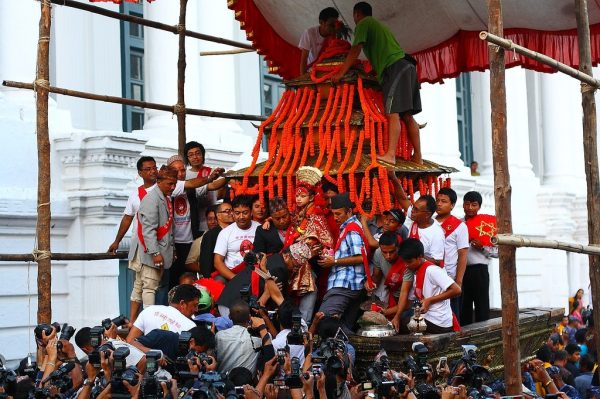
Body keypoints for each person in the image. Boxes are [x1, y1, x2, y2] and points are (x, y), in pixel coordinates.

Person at [333, 1, 422, 165]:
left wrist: (341, 73)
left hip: (396, 68)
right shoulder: (378, 27)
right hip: (406, 66)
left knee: (392, 112)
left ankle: (390, 155)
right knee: (407, 115)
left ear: (357, 14)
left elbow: (355, 49)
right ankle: (418, 157)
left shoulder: (363, 23)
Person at [107, 156, 157, 323]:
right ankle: (133, 322)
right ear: (140, 173)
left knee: (149, 286)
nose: (152, 171)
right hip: (138, 244)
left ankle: (147, 324)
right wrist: (116, 241)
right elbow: (127, 218)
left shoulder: (163, 188)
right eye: (148, 169)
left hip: (156, 244)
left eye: (154, 168)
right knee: (139, 284)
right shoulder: (135, 194)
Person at [318, 192, 373, 330]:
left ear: (349, 211)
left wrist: (334, 261)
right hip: (351, 284)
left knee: (323, 320)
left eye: (338, 214)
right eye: (334, 214)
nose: (335, 217)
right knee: (343, 327)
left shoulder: (352, 229)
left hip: (345, 284)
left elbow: (361, 257)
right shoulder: (348, 226)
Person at [167, 155, 224, 288]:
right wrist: (209, 177)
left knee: (189, 280)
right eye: (176, 171)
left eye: (182, 170)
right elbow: (195, 183)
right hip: (172, 244)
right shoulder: (169, 188)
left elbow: (213, 186)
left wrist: (230, 177)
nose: (180, 174)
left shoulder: (192, 186)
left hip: (190, 241)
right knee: (172, 281)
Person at [132, 166, 178, 308]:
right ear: (159, 181)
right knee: (149, 287)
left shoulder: (163, 197)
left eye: (174, 183)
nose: (173, 187)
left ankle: (139, 322)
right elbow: (148, 230)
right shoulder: (152, 199)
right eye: (169, 184)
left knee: (143, 286)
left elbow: (169, 228)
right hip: (153, 252)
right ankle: (149, 323)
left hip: (160, 250)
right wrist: (155, 253)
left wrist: (173, 249)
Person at [399, 238, 461, 333]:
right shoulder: (415, 271)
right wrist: (391, 314)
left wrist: (430, 300)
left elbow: (457, 290)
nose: (406, 265)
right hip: (428, 319)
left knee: (403, 326)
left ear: (420, 257)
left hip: (439, 322)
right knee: (399, 323)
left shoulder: (432, 270)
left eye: (409, 262)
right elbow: (409, 303)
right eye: (404, 262)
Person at [461, 190, 498, 325]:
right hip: (461, 270)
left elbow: (498, 253)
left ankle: (483, 336)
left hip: (480, 270)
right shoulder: (458, 224)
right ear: (463, 205)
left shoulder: (489, 224)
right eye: (467, 204)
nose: (470, 208)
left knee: (482, 305)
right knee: (463, 305)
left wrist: (482, 248)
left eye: (474, 205)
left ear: (479, 206)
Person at [215, 299, 274, 375]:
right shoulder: (261, 336)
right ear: (249, 317)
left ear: (229, 316)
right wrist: (262, 325)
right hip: (249, 385)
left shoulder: (219, 336)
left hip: (223, 383)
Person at [435, 187, 469, 319]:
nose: (439, 204)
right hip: (431, 276)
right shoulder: (429, 223)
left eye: (443, 201)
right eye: (437, 200)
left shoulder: (460, 226)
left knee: (452, 315)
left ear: (452, 205)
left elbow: (463, 255)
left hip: (450, 278)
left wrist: (458, 282)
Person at [126, 284, 200, 343]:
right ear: (182, 303)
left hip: (145, 359)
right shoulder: (190, 326)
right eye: (195, 305)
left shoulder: (150, 310)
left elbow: (129, 341)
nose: (196, 310)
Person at [183, 141, 228, 233]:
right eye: (191, 155)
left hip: (212, 220)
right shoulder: (185, 175)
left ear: (203, 155)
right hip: (191, 220)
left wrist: (227, 175)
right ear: (187, 158)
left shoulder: (212, 172)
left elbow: (219, 189)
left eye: (198, 153)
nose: (195, 157)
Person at [213, 194, 260, 281]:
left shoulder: (260, 228)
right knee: (219, 280)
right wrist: (235, 279)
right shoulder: (225, 233)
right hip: (233, 275)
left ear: (251, 212)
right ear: (233, 213)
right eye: (237, 213)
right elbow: (217, 262)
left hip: (256, 273)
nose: (241, 217)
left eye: (245, 213)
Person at [371, 231, 412, 318]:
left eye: (392, 252)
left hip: (408, 301)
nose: (388, 256)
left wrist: (385, 312)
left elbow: (406, 297)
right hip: (392, 297)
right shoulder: (378, 253)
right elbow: (376, 277)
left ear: (398, 248)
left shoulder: (406, 261)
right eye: (384, 252)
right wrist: (369, 282)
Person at [188, 202, 233, 278]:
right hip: (217, 277)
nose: (231, 213)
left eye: (232, 210)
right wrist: (209, 279)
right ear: (218, 215)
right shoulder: (210, 235)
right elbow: (206, 262)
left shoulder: (236, 231)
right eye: (227, 211)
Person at [298, 7, 339, 75]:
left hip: (327, 71)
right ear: (321, 22)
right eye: (331, 25)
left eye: (335, 25)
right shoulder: (309, 33)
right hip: (311, 70)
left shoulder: (334, 35)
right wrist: (302, 77)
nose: (333, 28)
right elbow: (304, 59)